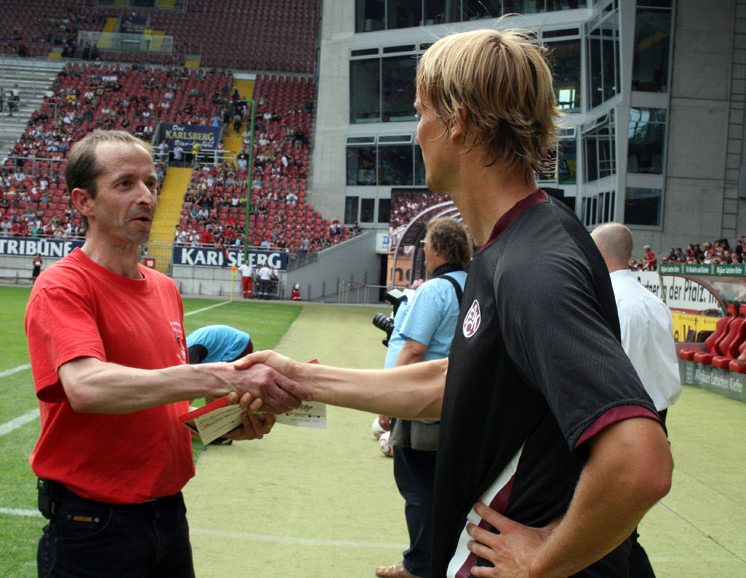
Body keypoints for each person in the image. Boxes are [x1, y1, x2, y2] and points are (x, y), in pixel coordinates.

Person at [236, 29, 672, 578]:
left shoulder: (532, 266)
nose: (416, 131)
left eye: (421, 112)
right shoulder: (519, 243)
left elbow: (640, 460)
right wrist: (299, 377)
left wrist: (543, 560)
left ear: (458, 119)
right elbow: (453, 383)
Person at [24, 130, 310, 578]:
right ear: (84, 202)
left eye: (151, 184)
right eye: (125, 184)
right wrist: (223, 377)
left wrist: (223, 425)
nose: (145, 196)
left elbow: (163, 411)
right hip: (93, 526)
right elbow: (86, 387)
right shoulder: (63, 285)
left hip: (168, 516)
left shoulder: (165, 289)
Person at [376, 217, 472, 578]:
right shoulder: (473, 285)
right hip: (458, 406)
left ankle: (419, 566)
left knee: (418, 490)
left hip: (422, 407)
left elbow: (414, 350)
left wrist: (388, 401)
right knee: (446, 492)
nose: (423, 250)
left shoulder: (435, 290)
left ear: (439, 248)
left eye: (427, 243)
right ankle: (445, 561)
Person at [591, 222, 682, 578]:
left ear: (597, 256)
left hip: (620, 426)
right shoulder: (655, 303)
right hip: (655, 420)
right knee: (623, 531)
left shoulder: (610, 304)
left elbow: (608, 376)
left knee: (609, 535)